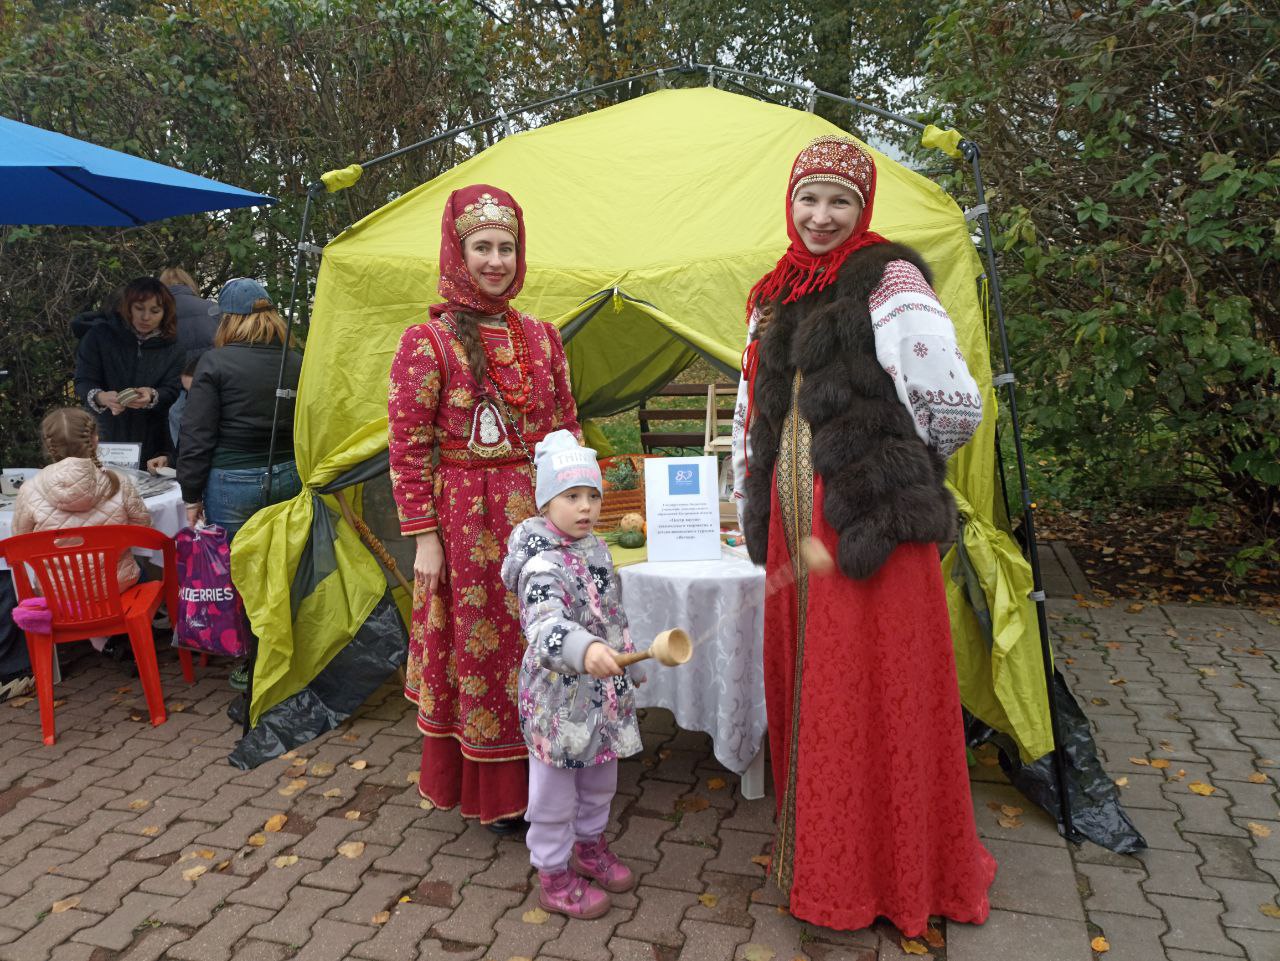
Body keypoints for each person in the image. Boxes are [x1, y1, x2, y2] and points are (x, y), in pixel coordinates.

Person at [731, 135, 995, 936]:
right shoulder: (774, 291)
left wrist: (889, 469)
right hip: (791, 527)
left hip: (863, 530)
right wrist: (756, 485)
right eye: (808, 198)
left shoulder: (890, 277)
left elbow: (954, 404)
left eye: (839, 200)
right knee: (817, 694)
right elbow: (755, 409)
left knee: (870, 691)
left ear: (863, 207)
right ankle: (825, 858)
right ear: (790, 201)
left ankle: (888, 873)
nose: (820, 215)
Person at [388, 184, 581, 833]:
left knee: (541, 644)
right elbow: (408, 447)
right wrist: (425, 539)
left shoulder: (543, 338)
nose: (496, 259)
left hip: (537, 524)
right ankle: (500, 792)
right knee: (483, 654)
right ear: (458, 251)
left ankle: (550, 775)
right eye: (483, 247)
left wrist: (572, 511)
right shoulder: (428, 341)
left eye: (506, 247)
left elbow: (565, 431)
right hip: (466, 528)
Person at [500, 430, 643, 919]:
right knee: (555, 793)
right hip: (558, 702)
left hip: (603, 693)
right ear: (546, 502)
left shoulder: (596, 548)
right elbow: (545, 629)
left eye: (592, 496)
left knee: (601, 779)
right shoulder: (540, 565)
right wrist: (583, 650)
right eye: (571, 496)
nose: (586, 507)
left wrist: (626, 661)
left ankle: (589, 846)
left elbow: (610, 613)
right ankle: (554, 873)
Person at [177, 279, 303, 692]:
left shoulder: (215, 363)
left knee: (244, 577)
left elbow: (196, 436)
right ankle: (291, 658)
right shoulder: (297, 360)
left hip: (231, 483)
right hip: (289, 474)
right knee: (285, 569)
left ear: (230, 320)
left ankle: (255, 666)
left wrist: (191, 495)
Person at [11, 408, 153, 654]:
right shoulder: (118, 482)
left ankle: (103, 641)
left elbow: (18, 544)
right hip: (117, 586)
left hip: (59, 594)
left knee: (75, 584)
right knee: (145, 573)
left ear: (48, 445)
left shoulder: (29, 490)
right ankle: (124, 636)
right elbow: (145, 530)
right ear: (95, 440)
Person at [74, 277, 184, 472]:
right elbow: (83, 380)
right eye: (139, 308)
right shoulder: (100, 335)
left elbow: (174, 388)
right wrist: (101, 397)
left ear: (165, 313)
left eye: (155, 311)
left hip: (152, 437)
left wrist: (152, 395)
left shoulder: (174, 346)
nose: (146, 317)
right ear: (128, 307)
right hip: (104, 435)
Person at [160, 267, 219, 364]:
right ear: (189, 283)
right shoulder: (213, 308)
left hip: (172, 374)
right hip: (209, 372)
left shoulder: (156, 313)